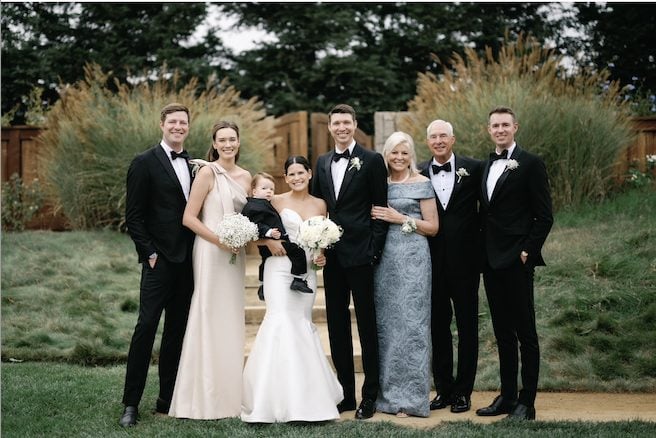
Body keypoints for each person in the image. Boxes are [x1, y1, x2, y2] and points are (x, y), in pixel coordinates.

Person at [241, 156, 343, 423]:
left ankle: (307, 399)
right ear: (285, 178)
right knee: (280, 321)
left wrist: (321, 256)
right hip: (278, 268)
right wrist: (267, 242)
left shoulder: (320, 204)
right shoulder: (274, 200)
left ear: (309, 174)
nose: (297, 178)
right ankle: (270, 400)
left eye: (301, 173)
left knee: (300, 323)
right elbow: (252, 230)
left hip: (306, 271)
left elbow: (322, 241)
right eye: (291, 174)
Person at [168, 120, 252, 419]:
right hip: (209, 251)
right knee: (207, 312)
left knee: (230, 316)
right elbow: (189, 218)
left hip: (235, 255)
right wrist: (220, 241)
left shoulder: (246, 177)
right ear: (214, 144)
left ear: (238, 142)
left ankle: (230, 395)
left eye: (232, 139)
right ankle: (202, 397)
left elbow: (253, 216)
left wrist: (244, 237)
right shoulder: (207, 172)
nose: (227, 144)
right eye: (222, 140)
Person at [311, 104, 389, 420]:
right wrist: (317, 245)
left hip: (362, 255)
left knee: (367, 325)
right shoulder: (322, 162)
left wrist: (374, 250)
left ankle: (369, 396)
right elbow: (318, 208)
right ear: (330, 127)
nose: (342, 127)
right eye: (336, 123)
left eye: (346, 122)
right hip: (332, 257)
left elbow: (380, 208)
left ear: (355, 124)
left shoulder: (372, 160)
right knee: (337, 325)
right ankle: (345, 395)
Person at [476, 106, 553, 421]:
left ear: (515, 127)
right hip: (491, 261)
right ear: (489, 130)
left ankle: (527, 402)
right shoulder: (485, 165)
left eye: (505, 125)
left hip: (517, 261)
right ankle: (507, 397)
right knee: (503, 333)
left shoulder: (531, 163)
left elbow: (544, 216)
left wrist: (527, 253)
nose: (500, 130)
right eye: (495, 125)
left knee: (526, 334)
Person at [120, 103, 195, 427]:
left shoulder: (194, 165)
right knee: (146, 327)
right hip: (158, 262)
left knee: (176, 331)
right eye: (173, 121)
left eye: (183, 122)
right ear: (162, 124)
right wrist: (149, 253)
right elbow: (133, 217)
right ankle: (131, 404)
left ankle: (167, 398)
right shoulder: (143, 162)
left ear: (188, 127)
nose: (178, 126)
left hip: (188, 263)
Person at [371, 132, 438, 418]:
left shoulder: (422, 183)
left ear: (411, 156)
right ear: (386, 154)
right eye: (394, 152)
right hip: (384, 259)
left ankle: (413, 398)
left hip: (414, 259)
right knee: (387, 326)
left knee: (413, 325)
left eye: (404, 153)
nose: (399, 158)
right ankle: (387, 397)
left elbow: (433, 227)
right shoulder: (379, 184)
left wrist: (400, 219)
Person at [419, 120, 483, 414]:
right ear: (428, 142)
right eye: (433, 137)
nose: (439, 141)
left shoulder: (474, 168)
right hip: (431, 261)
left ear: (453, 139)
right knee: (438, 327)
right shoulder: (418, 172)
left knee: (468, 326)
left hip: (466, 261)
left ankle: (463, 392)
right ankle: (443, 390)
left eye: (443, 135)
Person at [242, 172, 313, 301]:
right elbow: (254, 225)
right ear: (254, 191)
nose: (269, 191)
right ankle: (298, 279)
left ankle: (262, 285)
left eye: (271, 189)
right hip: (274, 240)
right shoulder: (255, 206)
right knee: (298, 251)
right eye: (264, 188)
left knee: (264, 261)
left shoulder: (263, 204)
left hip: (269, 241)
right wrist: (268, 232)